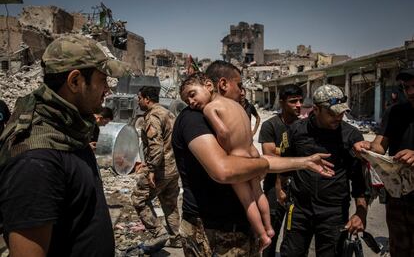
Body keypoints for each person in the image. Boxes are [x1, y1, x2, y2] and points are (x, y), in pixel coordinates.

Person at [172, 60, 334, 257]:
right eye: (239, 85)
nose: (242, 92)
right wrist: (260, 164)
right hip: (210, 229)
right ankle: (266, 231)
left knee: (254, 197)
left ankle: (266, 233)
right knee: (255, 196)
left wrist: (305, 161)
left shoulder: (229, 110)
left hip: (237, 227)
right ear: (222, 84)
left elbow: (254, 162)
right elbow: (224, 170)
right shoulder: (194, 117)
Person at [0, 34, 131, 256]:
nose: (108, 89)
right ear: (75, 81)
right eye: (102, 80)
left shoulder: (68, 131)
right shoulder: (37, 160)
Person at [180, 73, 274, 250]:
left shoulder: (209, 109)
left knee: (248, 201)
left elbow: (223, 132)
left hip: (236, 156)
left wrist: (223, 149)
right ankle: (269, 227)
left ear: (208, 85)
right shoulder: (236, 104)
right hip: (251, 152)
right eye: (187, 101)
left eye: (192, 95)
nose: (191, 103)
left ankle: (263, 235)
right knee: (258, 193)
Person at [279, 84, 368, 257]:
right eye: (332, 113)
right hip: (299, 210)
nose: (339, 117)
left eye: (342, 112)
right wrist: (280, 189)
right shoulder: (296, 130)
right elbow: (284, 163)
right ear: (316, 109)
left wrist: (361, 213)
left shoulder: (352, 136)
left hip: (333, 213)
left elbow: (360, 180)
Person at [354, 68, 414, 257]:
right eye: (406, 87)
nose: (410, 92)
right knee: (400, 246)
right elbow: (380, 145)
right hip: (399, 194)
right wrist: (367, 147)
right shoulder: (395, 112)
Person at [131, 86, 181, 253]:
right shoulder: (168, 114)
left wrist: (151, 169)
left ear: (147, 99)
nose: (138, 101)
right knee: (170, 204)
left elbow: (156, 146)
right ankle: (175, 238)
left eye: (139, 98)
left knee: (138, 199)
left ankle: (158, 232)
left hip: (160, 169)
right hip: (173, 168)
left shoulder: (152, 116)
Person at [259, 84, 303, 257]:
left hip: (299, 186)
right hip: (273, 187)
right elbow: (269, 157)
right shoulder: (270, 126)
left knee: (294, 236)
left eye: (300, 100)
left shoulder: (304, 126)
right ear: (282, 102)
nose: (298, 105)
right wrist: (293, 156)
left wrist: (283, 153)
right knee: (270, 232)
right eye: (293, 101)